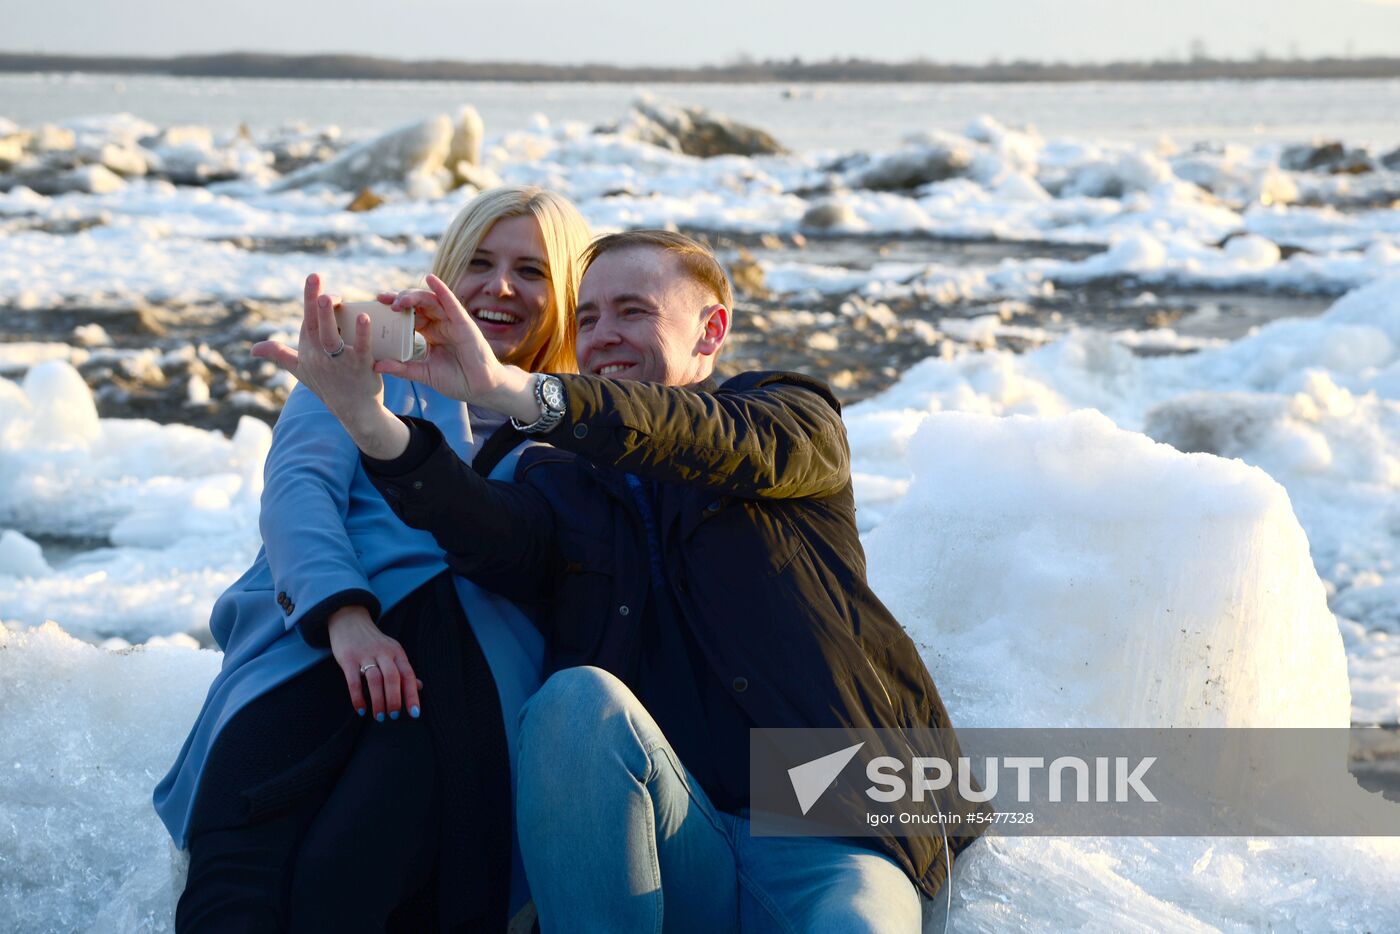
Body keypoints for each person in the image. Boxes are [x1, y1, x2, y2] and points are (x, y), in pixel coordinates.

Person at [264, 229, 984, 933]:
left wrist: (521, 390)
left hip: (828, 824)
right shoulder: (554, 472)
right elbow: (487, 532)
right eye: (587, 318)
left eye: (631, 311)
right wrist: (370, 423)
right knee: (576, 698)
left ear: (711, 331)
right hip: (673, 837)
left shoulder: (787, 416)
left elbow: (708, 439)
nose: (601, 334)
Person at [153, 186, 592, 932]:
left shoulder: (576, 413)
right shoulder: (376, 351)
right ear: (446, 271)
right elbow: (298, 488)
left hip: (460, 677)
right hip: (314, 642)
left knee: (350, 882)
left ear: (570, 292)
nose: (501, 287)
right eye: (480, 262)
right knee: (237, 887)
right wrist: (345, 617)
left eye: (533, 270)